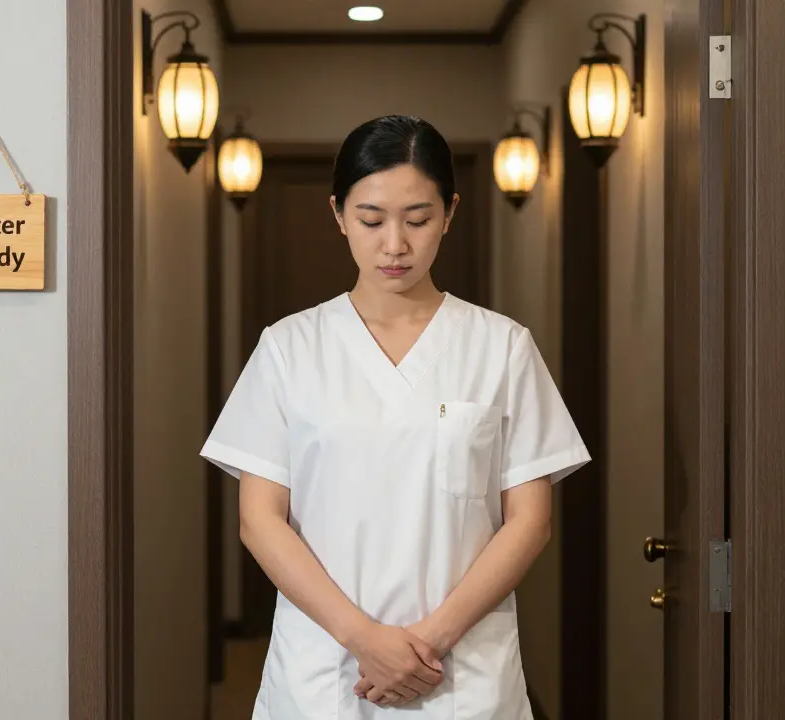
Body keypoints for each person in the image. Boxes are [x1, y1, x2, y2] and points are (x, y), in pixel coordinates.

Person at [200, 115, 590, 719]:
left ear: (450, 213)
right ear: (338, 215)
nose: (395, 245)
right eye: (371, 220)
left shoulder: (501, 347)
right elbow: (260, 520)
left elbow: (529, 523)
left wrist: (426, 642)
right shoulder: (289, 348)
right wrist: (363, 639)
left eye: (417, 219)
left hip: (462, 674)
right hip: (327, 672)